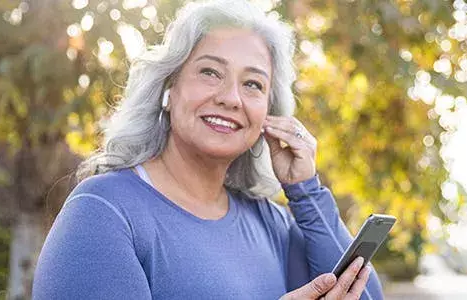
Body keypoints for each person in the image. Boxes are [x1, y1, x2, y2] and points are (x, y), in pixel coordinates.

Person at [32, 1, 383, 299]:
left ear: (268, 114)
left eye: (252, 84)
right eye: (210, 72)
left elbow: (364, 296)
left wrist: (306, 191)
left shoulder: (271, 224)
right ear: (169, 88)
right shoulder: (103, 211)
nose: (231, 98)